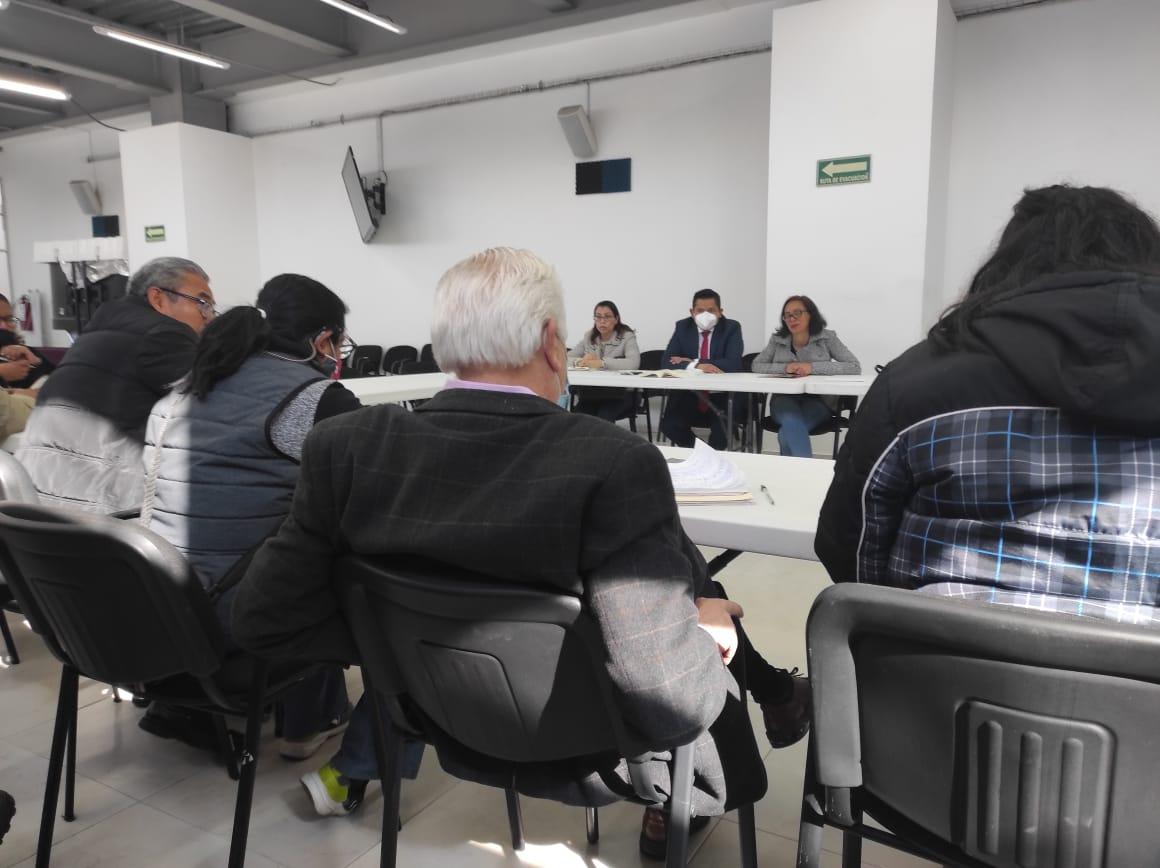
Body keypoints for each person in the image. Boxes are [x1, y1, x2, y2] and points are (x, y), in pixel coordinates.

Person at [230, 248, 808, 856]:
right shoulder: (614, 462)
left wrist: (400, 650)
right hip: (596, 753)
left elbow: (262, 618)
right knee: (708, 633)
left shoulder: (343, 446)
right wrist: (701, 635)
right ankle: (751, 720)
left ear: (443, 344)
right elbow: (675, 703)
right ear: (552, 341)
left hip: (429, 722)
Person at [816, 184, 1160, 622]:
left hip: (927, 659)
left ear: (1010, 261)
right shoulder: (910, 374)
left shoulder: (917, 377)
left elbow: (849, 543)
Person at [139, 273, 359, 755]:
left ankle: (193, 707)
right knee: (338, 554)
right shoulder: (317, 397)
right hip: (235, 618)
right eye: (339, 344)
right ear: (322, 339)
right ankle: (312, 720)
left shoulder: (185, 386)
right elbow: (362, 501)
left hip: (154, 607)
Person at [17, 257, 213, 513]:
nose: (209, 317)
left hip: (36, 495)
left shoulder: (101, 327)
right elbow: (210, 411)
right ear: (158, 298)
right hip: (95, 506)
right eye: (202, 303)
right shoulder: (166, 333)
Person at [751, 295, 860, 457]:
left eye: (797, 313)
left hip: (819, 401)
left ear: (811, 314)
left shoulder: (827, 338)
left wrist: (812, 367)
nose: (792, 319)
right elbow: (756, 365)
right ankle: (810, 473)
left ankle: (793, 473)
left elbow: (854, 366)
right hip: (783, 400)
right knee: (791, 421)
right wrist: (785, 368)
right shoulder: (778, 340)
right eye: (787, 315)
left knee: (786, 432)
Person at [658, 289, 744, 449]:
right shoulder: (683, 327)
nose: (705, 315)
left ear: (720, 312)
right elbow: (666, 362)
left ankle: (708, 457)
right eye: (700, 310)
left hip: (723, 395)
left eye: (711, 310)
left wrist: (693, 362)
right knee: (670, 425)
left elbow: (733, 364)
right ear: (692, 312)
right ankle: (702, 453)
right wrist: (698, 366)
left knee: (721, 435)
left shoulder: (731, 328)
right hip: (690, 394)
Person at [567, 300, 641, 421]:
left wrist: (602, 363)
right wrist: (580, 362)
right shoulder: (589, 336)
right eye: (598, 317)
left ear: (616, 319)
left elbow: (633, 363)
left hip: (623, 394)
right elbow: (565, 359)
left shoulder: (627, 336)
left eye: (607, 317)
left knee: (603, 416)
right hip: (594, 393)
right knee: (578, 418)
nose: (602, 321)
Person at [0, 293, 55, 390]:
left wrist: (35, 363)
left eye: (8, 319)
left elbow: (62, 384)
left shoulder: (26, 352)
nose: (4, 326)